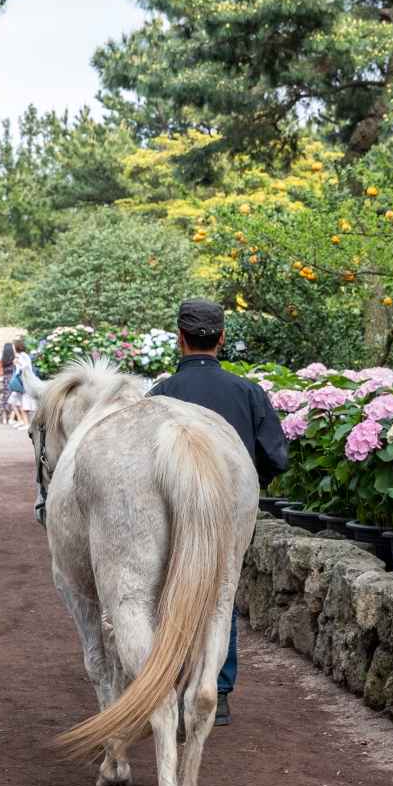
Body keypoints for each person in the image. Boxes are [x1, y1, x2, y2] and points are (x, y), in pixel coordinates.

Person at [147, 299, 289, 727]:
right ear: (222, 338)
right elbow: (276, 458)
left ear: (180, 338)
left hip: (170, 510)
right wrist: (249, 488)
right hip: (228, 511)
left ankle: (171, 683)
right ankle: (217, 689)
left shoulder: (161, 396)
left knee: (167, 594)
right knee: (221, 593)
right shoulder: (248, 393)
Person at [9, 339, 36, 429]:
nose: (12, 349)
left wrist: (18, 363)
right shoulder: (20, 356)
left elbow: (26, 367)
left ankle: (26, 423)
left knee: (23, 404)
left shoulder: (23, 355)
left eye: (13, 347)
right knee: (16, 402)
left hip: (25, 382)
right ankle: (23, 422)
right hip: (21, 382)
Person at [0, 340, 18, 424]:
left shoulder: (3, 359)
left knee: (5, 397)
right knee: (12, 397)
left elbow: (1, 371)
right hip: (13, 380)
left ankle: (4, 417)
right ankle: (11, 417)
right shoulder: (15, 359)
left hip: (6, 379)